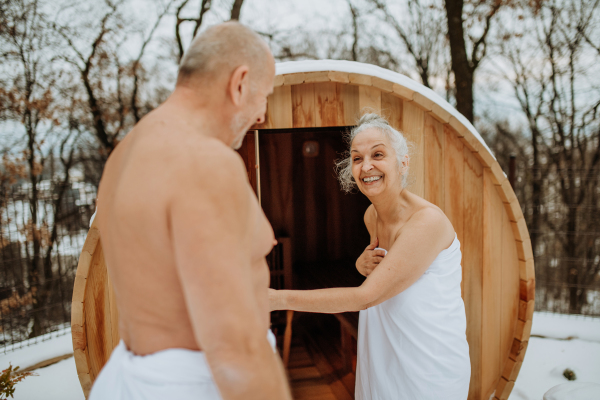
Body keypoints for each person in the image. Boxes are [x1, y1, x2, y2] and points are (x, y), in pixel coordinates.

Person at [89, 22, 292, 400]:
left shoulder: (124, 154)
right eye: (264, 96)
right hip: (198, 385)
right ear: (240, 83)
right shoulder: (204, 161)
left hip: (135, 379)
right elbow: (236, 350)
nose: (261, 116)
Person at [269, 113, 471, 400]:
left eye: (378, 154)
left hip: (427, 366)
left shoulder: (427, 223)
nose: (366, 166)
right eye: (356, 158)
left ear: (403, 162)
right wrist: (359, 263)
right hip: (382, 355)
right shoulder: (371, 216)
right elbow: (386, 271)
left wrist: (277, 298)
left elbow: (366, 297)